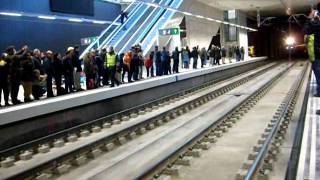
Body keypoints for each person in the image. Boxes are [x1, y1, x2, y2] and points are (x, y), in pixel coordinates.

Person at [304, 4, 320, 97]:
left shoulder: (316, 25)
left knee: (318, 72)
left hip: (317, 54)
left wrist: (309, 18)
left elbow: (305, 30)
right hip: (316, 53)